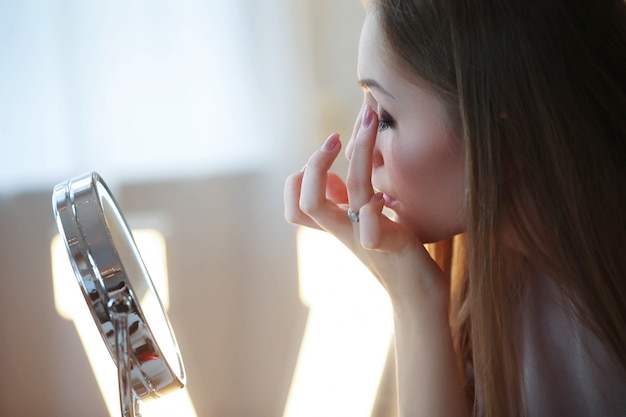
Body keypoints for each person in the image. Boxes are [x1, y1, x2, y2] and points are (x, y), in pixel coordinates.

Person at [284, 0, 626, 415]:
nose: (361, 150)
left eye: (385, 117)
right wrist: (414, 295)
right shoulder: (496, 293)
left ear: (503, 140)